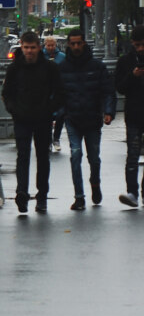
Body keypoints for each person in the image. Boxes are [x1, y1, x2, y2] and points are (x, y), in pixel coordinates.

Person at [1, 31, 66, 214]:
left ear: (39, 47)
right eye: (26, 47)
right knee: (22, 156)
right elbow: (7, 93)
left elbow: (60, 92)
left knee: (43, 158)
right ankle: (22, 193)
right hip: (22, 119)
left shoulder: (49, 67)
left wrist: (49, 111)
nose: (29, 51)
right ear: (22, 47)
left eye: (32, 48)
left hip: (43, 119)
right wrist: (14, 110)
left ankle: (42, 196)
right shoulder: (15, 68)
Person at [55, 29, 114, 210]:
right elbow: (57, 94)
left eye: (78, 43)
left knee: (94, 159)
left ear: (84, 43)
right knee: (75, 154)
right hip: (72, 119)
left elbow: (107, 91)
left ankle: (95, 184)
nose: (75, 46)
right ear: (68, 45)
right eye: (72, 44)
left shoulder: (97, 66)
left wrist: (108, 112)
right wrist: (60, 113)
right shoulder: (63, 68)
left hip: (92, 119)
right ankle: (79, 196)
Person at [114, 24, 144, 208]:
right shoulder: (125, 62)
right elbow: (120, 87)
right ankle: (132, 191)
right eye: (137, 45)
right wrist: (133, 75)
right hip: (134, 113)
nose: (140, 49)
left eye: (143, 45)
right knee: (132, 155)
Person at [43, 34, 66, 153]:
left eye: (52, 45)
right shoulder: (41, 56)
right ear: (45, 45)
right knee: (46, 117)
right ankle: (47, 140)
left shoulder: (62, 57)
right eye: (48, 45)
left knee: (61, 115)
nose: (50, 47)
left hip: (59, 91)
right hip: (45, 92)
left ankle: (56, 138)